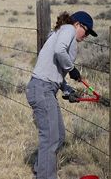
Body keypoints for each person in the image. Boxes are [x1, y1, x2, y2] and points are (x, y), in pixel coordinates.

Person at [25, 11, 97, 179]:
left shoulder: (61, 32)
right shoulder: (69, 30)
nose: (86, 36)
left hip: (45, 89)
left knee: (58, 136)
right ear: (78, 24)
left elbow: (55, 71)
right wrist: (72, 69)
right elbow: (59, 51)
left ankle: (40, 170)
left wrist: (67, 90)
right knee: (50, 138)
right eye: (86, 31)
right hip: (42, 89)